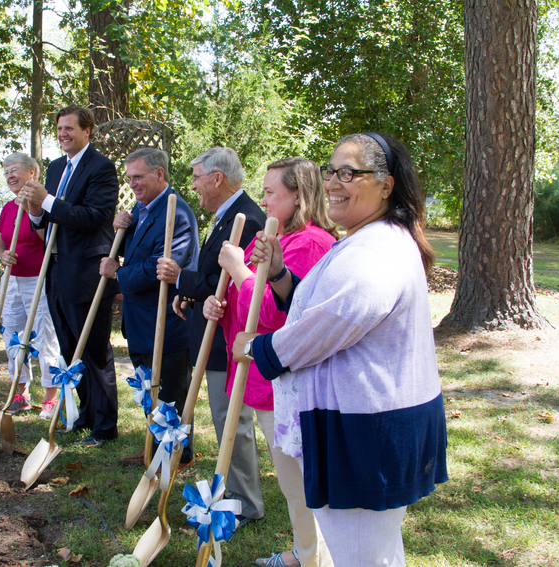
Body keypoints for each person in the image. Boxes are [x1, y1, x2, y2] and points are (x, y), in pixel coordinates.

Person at [233, 133, 448, 566]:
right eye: (332, 170)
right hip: (370, 420)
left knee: (360, 556)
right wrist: (279, 275)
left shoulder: (377, 249)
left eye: (349, 173)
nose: (333, 181)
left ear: (385, 185)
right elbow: (324, 309)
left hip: (369, 431)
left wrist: (261, 347)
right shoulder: (369, 238)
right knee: (376, 553)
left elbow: (338, 319)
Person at [203, 157, 337, 567]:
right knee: (290, 478)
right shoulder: (278, 237)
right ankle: (306, 553)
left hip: (288, 379)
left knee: (297, 479)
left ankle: (314, 558)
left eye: (270, 192)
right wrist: (217, 305)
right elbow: (247, 307)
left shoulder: (310, 243)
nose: (262, 199)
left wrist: (240, 270)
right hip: (266, 375)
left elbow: (278, 313)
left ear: (297, 196)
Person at [156, 147, 267, 525]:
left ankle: (246, 501)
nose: (194, 185)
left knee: (231, 417)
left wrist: (180, 280)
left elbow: (236, 286)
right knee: (224, 418)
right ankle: (235, 488)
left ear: (217, 178)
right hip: (210, 326)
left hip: (227, 335)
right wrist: (188, 297)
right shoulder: (226, 217)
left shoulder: (247, 220)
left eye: (197, 177)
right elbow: (212, 281)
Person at [23, 105, 120, 448]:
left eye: (70, 128)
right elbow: (48, 221)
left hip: (87, 272)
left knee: (93, 350)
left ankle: (107, 426)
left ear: (87, 130)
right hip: (58, 270)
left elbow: (94, 216)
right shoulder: (55, 167)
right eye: (59, 128)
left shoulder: (101, 168)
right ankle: (87, 414)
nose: (63, 134)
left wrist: (47, 200)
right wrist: (37, 211)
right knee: (69, 349)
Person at [98, 148, 199, 468]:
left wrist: (118, 273)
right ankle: (154, 447)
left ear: (160, 174)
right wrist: (120, 229)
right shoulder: (140, 210)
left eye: (138, 177)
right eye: (129, 179)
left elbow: (162, 267)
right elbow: (136, 251)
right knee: (148, 390)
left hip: (166, 321)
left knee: (170, 394)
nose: (133, 184)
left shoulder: (176, 213)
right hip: (140, 321)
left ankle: (178, 455)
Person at [0, 153, 60, 418]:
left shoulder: (44, 204)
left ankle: (50, 397)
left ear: (32, 172)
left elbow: (52, 241)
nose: (10, 175)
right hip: (11, 280)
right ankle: (20, 393)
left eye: (15, 170)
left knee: (45, 337)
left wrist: (33, 210)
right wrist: (2, 255)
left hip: (39, 279)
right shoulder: (8, 207)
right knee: (13, 335)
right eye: (6, 172)